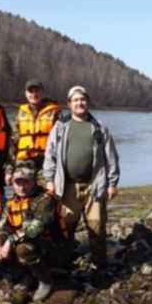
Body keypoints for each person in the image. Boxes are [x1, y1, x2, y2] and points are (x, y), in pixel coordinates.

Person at [42, 85, 120, 286]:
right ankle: (64, 265)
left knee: (96, 226)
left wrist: (112, 183)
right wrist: (49, 180)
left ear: (87, 101)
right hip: (68, 186)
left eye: (83, 99)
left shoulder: (99, 128)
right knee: (65, 226)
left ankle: (99, 267)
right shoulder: (60, 127)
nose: (79, 103)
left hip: (95, 185)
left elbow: (111, 157)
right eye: (75, 100)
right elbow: (49, 156)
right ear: (69, 104)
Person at [0, 164, 57, 301]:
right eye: (17, 183)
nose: (21, 187)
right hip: (20, 241)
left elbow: (35, 229)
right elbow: (2, 226)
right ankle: (22, 274)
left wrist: (9, 241)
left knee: (22, 249)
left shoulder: (45, 200)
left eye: (25, 182)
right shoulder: (10, 202)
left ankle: (45, 280)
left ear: (33, 182)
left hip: (47, 246)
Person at [5, 79, 61, 185]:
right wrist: (9, 170)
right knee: (21, 195)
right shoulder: (20, 113)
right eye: (31, 91)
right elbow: (13, 143)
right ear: (26, 94)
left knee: (47, 196)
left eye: (37, 91)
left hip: (46, 163)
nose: (34, 94)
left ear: (42, 93)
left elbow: (61, 143)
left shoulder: (55, 113)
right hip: (23, 163)